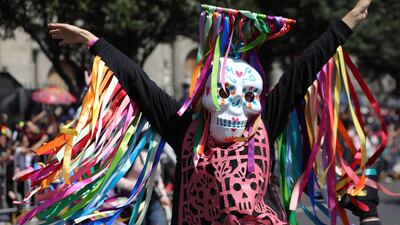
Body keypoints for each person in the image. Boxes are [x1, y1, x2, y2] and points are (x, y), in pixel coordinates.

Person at [48, 0, 379, 224]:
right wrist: (94, 42)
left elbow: (301, 72)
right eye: (223, 93)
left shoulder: (265, 126)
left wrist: (347, 23)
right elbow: (140, 84)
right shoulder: (185, 134)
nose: (235, 105)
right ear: (205, 96)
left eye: (247, 94)